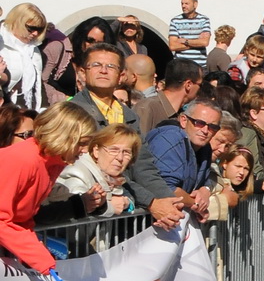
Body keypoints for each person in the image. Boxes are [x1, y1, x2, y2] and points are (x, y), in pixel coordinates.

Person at [65, 44, 182, 227]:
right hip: (91, 212)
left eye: (111, 66)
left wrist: (168, 203)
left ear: (121, 76)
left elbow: (143, 166)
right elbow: (98, 169)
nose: (103, 71)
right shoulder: (72, 113)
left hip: (125, 206)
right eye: (96, 65)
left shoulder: (129, 115)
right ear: (82, 72)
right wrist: (152, 202)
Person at [0, 101, 98, 277]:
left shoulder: (51, 163)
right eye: (81, 143)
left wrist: (33, 255)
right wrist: (40, 258)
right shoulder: (22, 159)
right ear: (63, 137)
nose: (84, 151)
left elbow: (23, 218)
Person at [145, 100, 222, 218]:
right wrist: (197, 205)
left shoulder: (205, 148)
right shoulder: (170, 139)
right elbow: (166, 188)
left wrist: (205, 190)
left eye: (212, 127)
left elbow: (205, 179)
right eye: (199, 123)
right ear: (184, 120)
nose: (205, 131)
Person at [52, 125, 141, 217]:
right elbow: (79, 208)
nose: (120, 158)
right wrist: (109, 206)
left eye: (126, 152)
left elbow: (126, 197)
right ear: (96, 151)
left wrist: (126, 204)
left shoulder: (114, 178)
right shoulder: (78, 173)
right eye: (113, 150)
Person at [135, 57, 203, 135]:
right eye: (200, 85)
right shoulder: (147, 108)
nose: (200, 89)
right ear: (188, 85)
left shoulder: (184, 115)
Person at [0, 3, 49, 110]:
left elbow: (39, 85)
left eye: (40, 29)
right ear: (17, 23)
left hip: (29, 109)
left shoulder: (34, 49)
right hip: (7, 109)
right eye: (31, 28)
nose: (35, 33)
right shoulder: (2, 44)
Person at [167, 0, 212, 66]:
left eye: (186, 3)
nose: (183, 6)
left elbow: (204, 42)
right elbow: (172, 46)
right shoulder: (175, 21)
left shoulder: (204, 20)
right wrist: (196, 42)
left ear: (195, 4)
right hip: (181, 65)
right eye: (182, 3)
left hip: (199, 65)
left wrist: (184, 41)